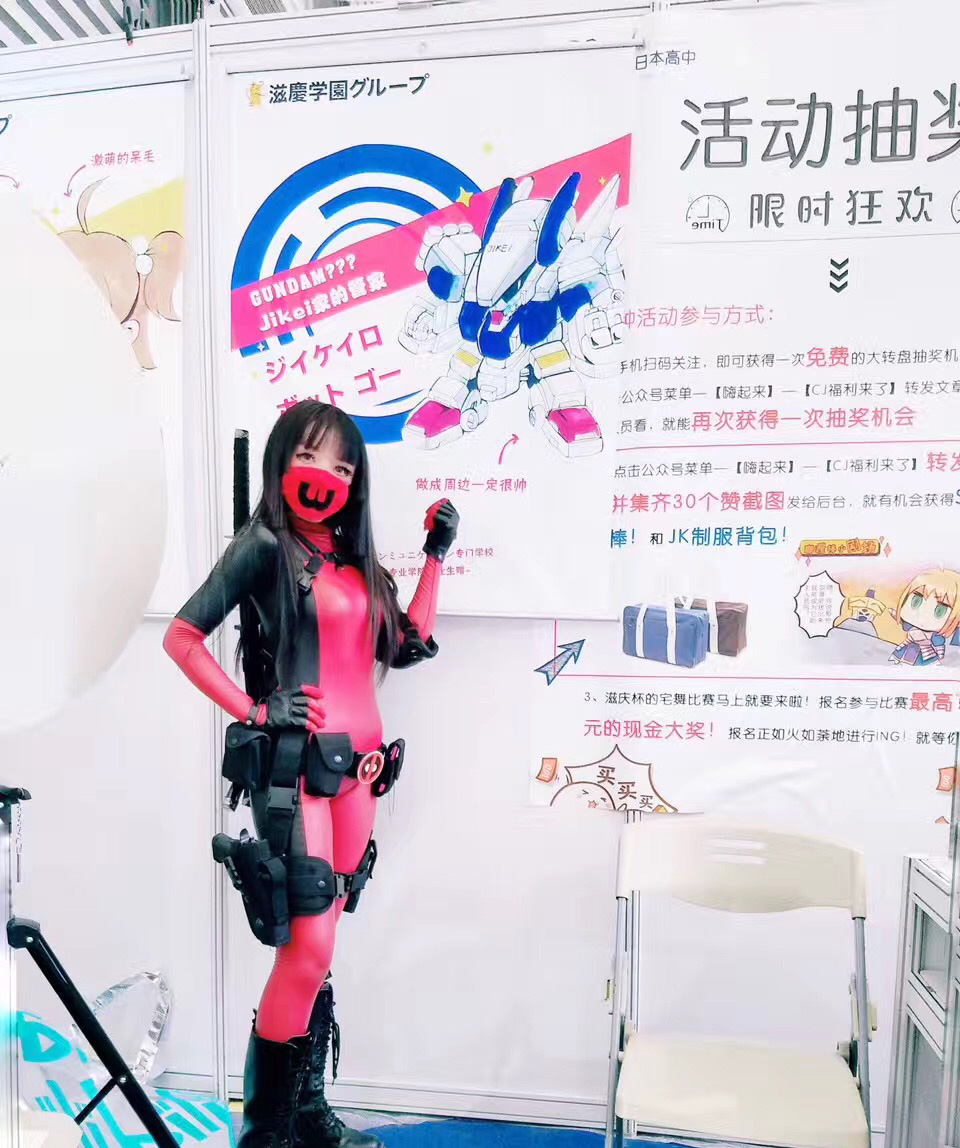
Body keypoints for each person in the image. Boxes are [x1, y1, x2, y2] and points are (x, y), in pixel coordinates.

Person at [163, 400, 458, 1148]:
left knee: (320, 945)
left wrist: (435, 554)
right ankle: (266, 1134)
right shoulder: (264, 546)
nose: (325, 476)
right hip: (297, 774)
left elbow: (408, 643)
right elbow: (183, 636)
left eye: (343, 466)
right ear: (281, 461)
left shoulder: (355, 560)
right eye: (309, 456)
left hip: (362, 773)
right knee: (309, 947)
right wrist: (257, 710)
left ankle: (306, 1113)